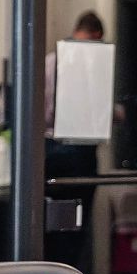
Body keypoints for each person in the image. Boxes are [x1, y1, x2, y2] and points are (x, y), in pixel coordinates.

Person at [44, 10, 104, 178]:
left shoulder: (49, 61)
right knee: (81, 192)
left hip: (48, 144)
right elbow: (96, 109)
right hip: (80, 148)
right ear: (97, 36)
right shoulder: (91, 69)